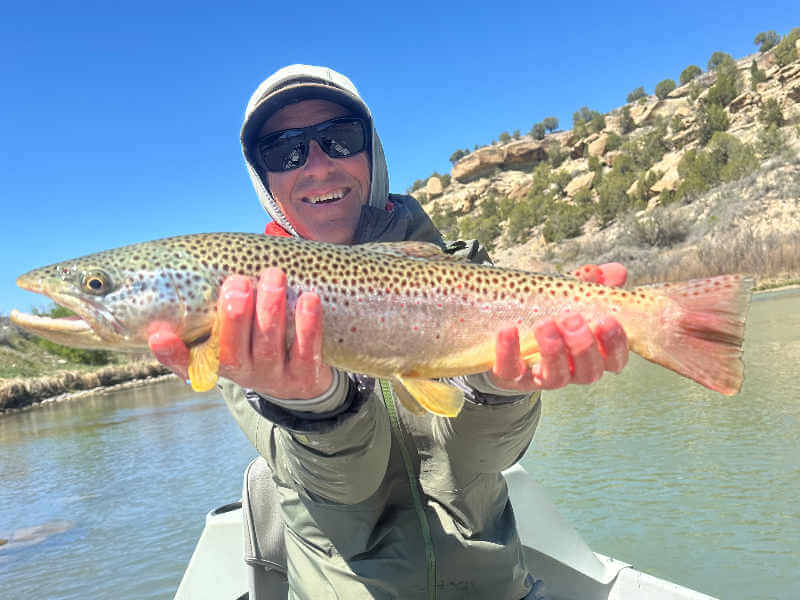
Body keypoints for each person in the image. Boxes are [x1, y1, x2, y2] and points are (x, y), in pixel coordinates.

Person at [149, 65, 629, 600]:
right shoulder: (245, 317)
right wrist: (316, 405)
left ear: (371, 151)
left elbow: (482, 462)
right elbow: (345, 491)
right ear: (265, 179)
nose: (316, 166)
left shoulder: (464, 275)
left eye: (339, 138)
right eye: (283, 151)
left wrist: (501, 388)